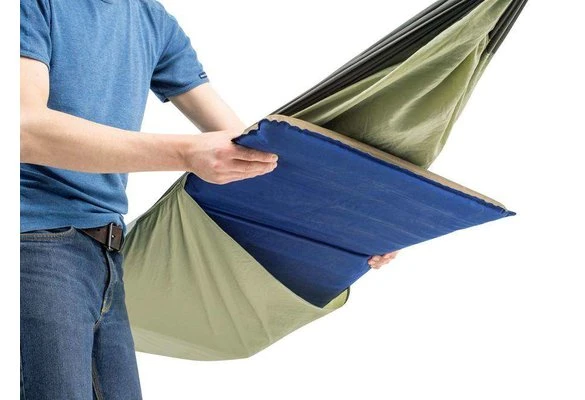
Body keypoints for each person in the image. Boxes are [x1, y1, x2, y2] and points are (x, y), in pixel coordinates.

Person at [20, 0, 398, 398]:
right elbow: (23, 130)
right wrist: (186, 153)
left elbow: (251, 157)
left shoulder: (150, 19)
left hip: (105, 254)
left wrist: (348, 231)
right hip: (32, 241)